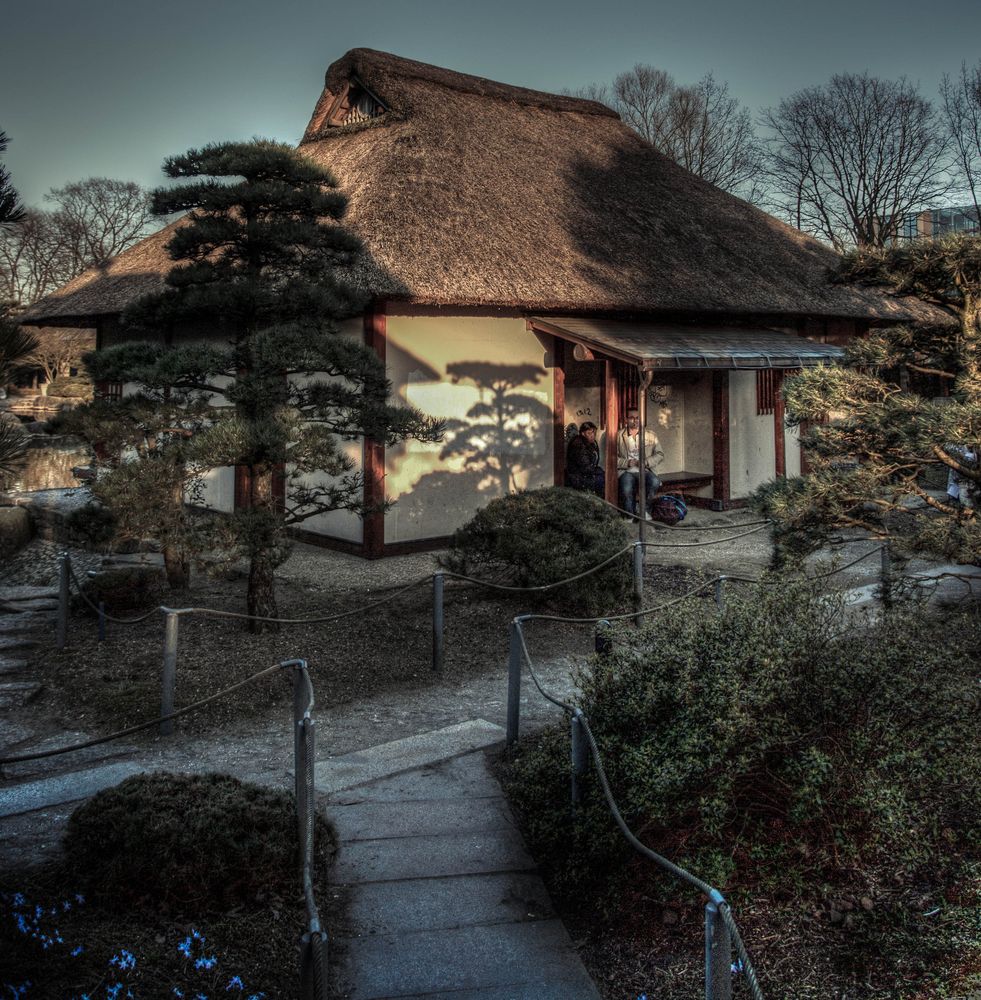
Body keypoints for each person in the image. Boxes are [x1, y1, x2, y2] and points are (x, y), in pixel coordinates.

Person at [616, 409, 661, 518]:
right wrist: (627, 462)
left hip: (645, 470)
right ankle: (630, 516)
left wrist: (646, 462)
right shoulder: (619, 436)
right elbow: (612, 458)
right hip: (627, 471)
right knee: (626, 488)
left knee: (655, 482)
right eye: (631, 417)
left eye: (637, 418)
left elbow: (660, 454)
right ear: (626, 419)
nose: (635, 420)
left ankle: (644, 511)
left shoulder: (651, 435)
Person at [565, 421, 605, 497]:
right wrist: (598, 471)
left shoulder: (591, 443)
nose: (592, 435)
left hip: (585, 475)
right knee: (601, 479)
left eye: (593, 433)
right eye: (589, 433)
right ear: (583, 434)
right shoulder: (578, 444)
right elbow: (585, 466)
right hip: (578, 477)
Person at [945, 442, 978, 509]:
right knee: (953, 495)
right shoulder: (957, 447)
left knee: (966, 498)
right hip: (957, 476)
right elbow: (947, 447)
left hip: (968, 480)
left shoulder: (975, 450)